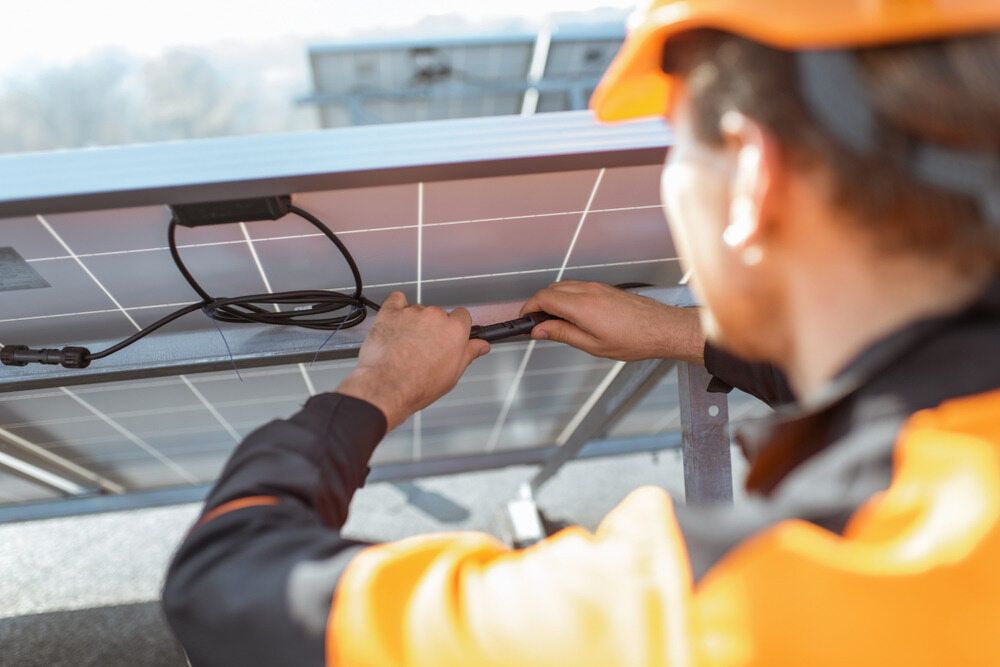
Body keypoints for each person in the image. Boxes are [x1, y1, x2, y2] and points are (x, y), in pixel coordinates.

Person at [162, 1, 1000, 665]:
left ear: (753, 176)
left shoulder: (709, 614)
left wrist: (378, 387)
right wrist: (679, 332)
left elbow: (228, 585)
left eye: (678, 145)